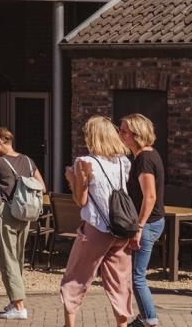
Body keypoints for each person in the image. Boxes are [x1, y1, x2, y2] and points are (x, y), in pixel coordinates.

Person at [59, 116, 134, 327]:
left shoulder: (84, 162)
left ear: (92, 137)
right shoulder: (123, 162)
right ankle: (122, 324)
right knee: (119, 281)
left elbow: (80, 200)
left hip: (96, 228)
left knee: (76, 277)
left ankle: (69, 325)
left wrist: (71, 179)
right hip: (121, 228)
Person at [0, 126, 45, 320]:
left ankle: (19, 306)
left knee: (6, 259)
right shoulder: (28, 161)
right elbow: (42, 186)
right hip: (24, 213)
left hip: (4, 212)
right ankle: (14, 301)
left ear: (0, 142)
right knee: (17, 258)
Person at [119, 114, 165, 327]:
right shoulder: (146, 155)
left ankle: (149, 318)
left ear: (136, 135)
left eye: (124, 132)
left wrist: (139, 227)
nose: (121, 135)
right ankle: (146, 316)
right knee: (135, 275)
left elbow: (150, 196)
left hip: (147, 224)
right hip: (150, 222)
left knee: (137, 276)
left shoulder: (145, 159)